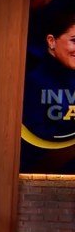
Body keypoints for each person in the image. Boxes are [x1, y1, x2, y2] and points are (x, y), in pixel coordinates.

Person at [22, 11, 75, 170]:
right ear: (51, 41)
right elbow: (37, 134)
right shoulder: (31, 81)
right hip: (40, 169)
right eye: (74, 41)